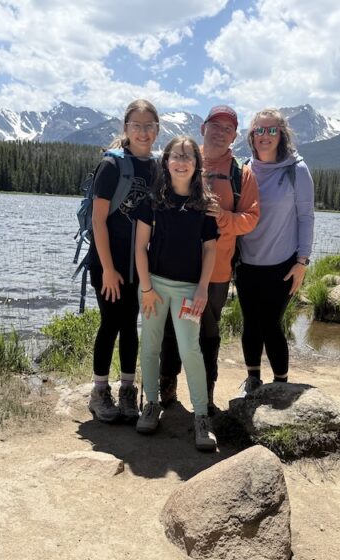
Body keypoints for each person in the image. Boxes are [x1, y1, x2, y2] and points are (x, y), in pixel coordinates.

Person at [158, 105, 260, 415]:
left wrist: (225, 217)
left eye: (228, 128)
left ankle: (206, 395)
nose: (221, 132)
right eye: (215, 125)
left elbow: (252, 218)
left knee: (208, 335)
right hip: (175, 269)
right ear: (203, 128)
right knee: (171, 330)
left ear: (235, 136)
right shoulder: (185, 159)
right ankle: (167, 389)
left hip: (216, 271)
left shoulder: (241, 173)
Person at [133, 136, 219, 451]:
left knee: (190, 349)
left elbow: (210, 250)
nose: (181, 162)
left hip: (188, 291)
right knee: (150, 346)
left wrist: (203, 289)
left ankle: (201, 417)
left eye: (188, 157)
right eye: (176, 156)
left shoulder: (204, 206)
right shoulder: (153, 202)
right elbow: (140, 248)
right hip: (153, 287)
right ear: (166, 162)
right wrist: (145, 288)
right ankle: (151, 404)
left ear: (197, 165)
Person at [87, 99, 159, 423]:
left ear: (157, 129)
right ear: (126, 128)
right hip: (108, 265)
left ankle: (127, 390)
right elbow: (98, 221)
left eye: (148, 126)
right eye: (136, 125)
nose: (143, 132)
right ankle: (99, 392)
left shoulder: (157, 168)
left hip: (137, 266)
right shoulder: (112, 165)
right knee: (110, 324)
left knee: (130, 325)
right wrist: (108, 270)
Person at [235, 108, 315, 396]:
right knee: (250, 324)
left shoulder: (297, 170)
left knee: (271, 323)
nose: (265, 136)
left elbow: (306, 217)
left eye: (271, 130)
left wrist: (302, 261)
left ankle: (281, 385)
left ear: (281, 135)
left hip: (283, 264)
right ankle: (253, 380)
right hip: (246, 263)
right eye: (259, 130)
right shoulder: (244, 169)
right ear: (252, 135)